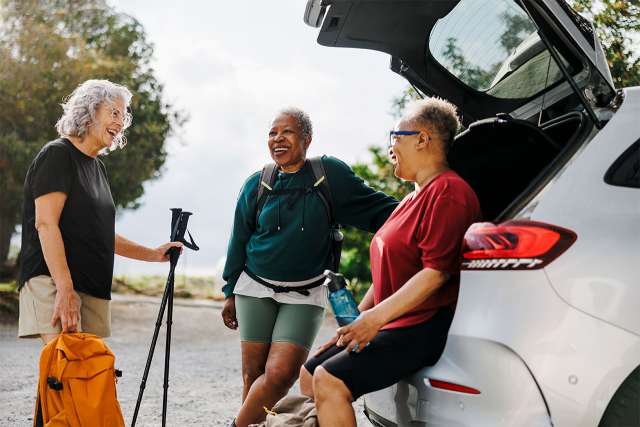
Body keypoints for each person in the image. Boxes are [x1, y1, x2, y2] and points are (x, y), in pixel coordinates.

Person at [299, 97, 482, 427]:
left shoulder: (449, 192)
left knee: (328, 379)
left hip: (422, 324)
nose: (389, 147)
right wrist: (355, 323)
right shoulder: (409, 200)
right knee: (308, 374)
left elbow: (436, 274)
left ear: (423, 139)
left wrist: (375, 320)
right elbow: (386, 276)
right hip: (391, 321)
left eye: (395, 136)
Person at [221, 107, 398, 427]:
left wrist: (423, 211)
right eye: (272, 133)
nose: (277, 139)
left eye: (286, 132)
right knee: (253, 375)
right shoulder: (257, 183)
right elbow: (239, 241)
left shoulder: (328, 175)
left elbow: (378, 210)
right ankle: (258, 424)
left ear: (307, 138)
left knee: (279, 375)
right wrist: (230, 292)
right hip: (254, 286)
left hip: (306, 292)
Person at [18, 79, 182, 344]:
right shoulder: (57, 155)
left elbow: (101, 234)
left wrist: (152, 254)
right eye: (114, 112)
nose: (121, 121)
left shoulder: (97, 168)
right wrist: (65, 288)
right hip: (52, 280)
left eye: (124, 114)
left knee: (84, 378)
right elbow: (46, 224)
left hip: (91, 285)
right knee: (67, 367)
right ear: (90, 110)